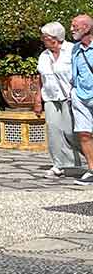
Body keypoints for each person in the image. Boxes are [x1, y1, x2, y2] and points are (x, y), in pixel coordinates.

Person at [37, 22, 78, 179]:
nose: (42, 40)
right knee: (53, 130)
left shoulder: (73, 50)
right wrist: (37, 99)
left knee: (71, 131)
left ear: (54, 38)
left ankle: (86, 159)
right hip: (50, 97)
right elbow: (41, 78)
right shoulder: (44, 55)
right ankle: (58, 165)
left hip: (70, 97)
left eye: (45, 37)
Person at [68, 13, 93, 183]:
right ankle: (92, 169)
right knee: (84, 133)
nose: (71, 29)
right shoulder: (75, 48)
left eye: (75, 26)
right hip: (81, 96)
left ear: (86, 28)